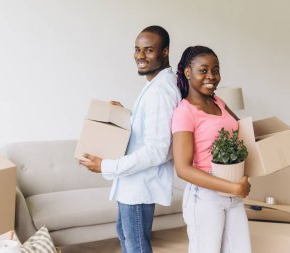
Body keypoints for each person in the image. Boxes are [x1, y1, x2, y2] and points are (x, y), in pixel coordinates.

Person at [79, 25, 181, 253]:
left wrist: (106, 166)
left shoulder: (160, 92)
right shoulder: (156, 85)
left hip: (139, 185)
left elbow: (158, 149)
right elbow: (150, 128)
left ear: (165, 52)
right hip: (133, 184)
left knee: (135, 245)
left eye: (148, 50)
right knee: (126, 236)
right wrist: (126, 114)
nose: (140, 56)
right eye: (137, 49)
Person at [171, 46, 252, 253]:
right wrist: (233, 188)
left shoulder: (219, 102)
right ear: (188, 73)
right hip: (206, 196)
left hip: (233, 192)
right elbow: (183, 169)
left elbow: (244, 134)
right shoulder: (184, 112)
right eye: (203, 70)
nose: (211, 76)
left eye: (215, 70)